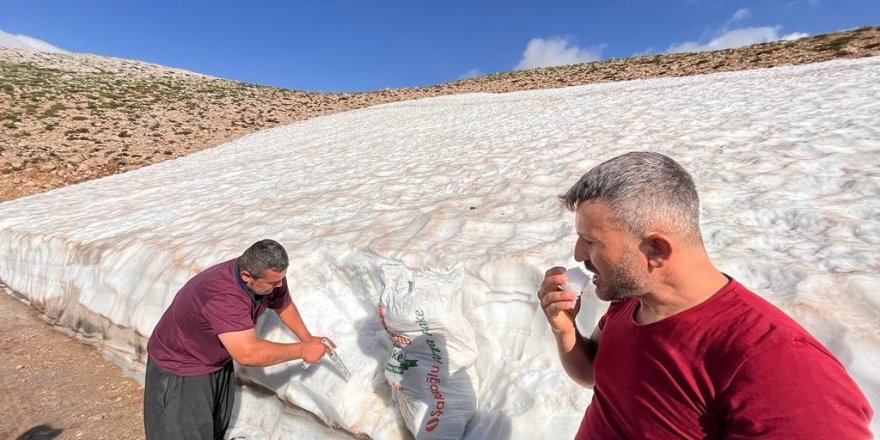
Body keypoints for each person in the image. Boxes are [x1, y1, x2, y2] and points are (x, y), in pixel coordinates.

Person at [537, 152, 873, 439]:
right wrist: (564, 329)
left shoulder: (779, 366)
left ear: (656, 249)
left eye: (591, 241)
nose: (579, 254)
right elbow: (596, 374)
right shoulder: (632, 301)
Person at [144, 239, 333, 440]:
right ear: (247, 276)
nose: (279, 285)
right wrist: (302, 350)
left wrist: (308, 339)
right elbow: (247, 353)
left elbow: (283, 305)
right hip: (181, 368)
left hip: (215, 362)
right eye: (272, 282)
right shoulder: (224, 296)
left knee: (213, 428)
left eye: (281, 280)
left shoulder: (268, 276)